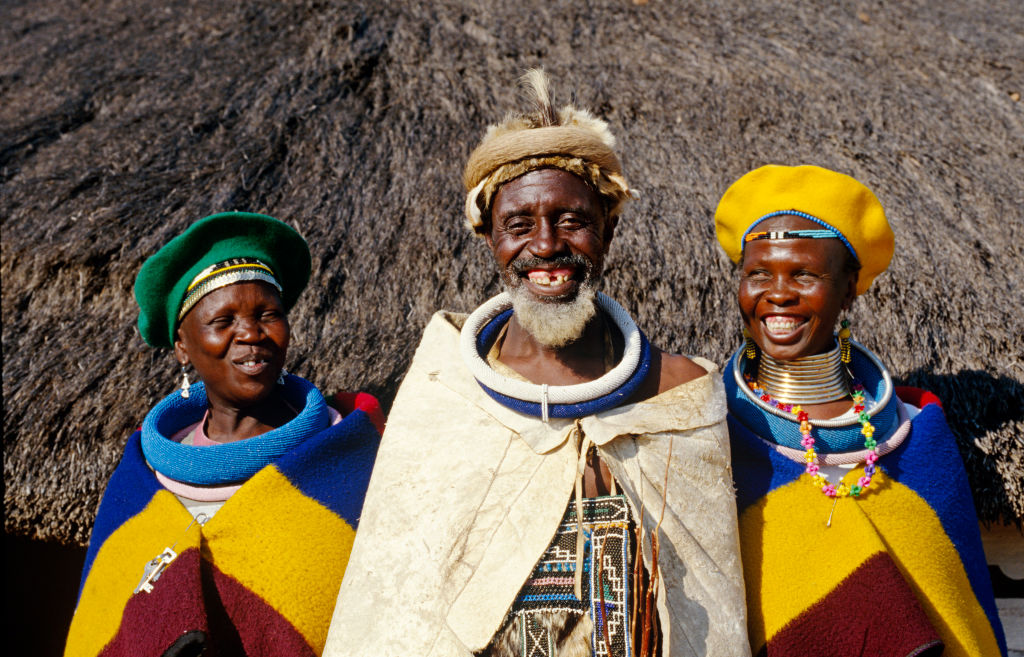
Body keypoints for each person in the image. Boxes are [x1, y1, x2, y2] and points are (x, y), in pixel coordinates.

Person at [324, 71, 749, 657]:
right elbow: (396, 607)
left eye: (572, 220)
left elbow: (716, 611)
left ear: (609, 228)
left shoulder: (677, 394)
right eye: (519, 225)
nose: (547, 246)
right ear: (488, 237)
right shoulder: (446, 391)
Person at [714, 165, 1006, 657]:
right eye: (759, 273)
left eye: (803, 274)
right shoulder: (706, 430)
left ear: (850, 288)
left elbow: (963, 612)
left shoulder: (917, 436)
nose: (778, 293)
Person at [65, 212, 383, 657]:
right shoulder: (139, 481)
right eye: (223, 321)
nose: (251, 334)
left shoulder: (348, 457)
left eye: (268, 314)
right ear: (182, 346)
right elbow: (106, 623)